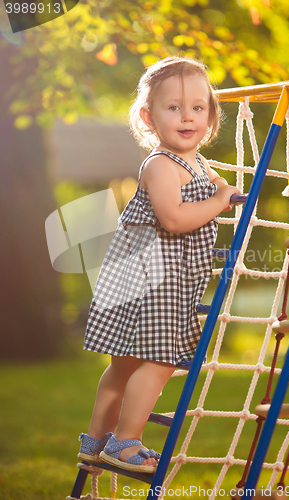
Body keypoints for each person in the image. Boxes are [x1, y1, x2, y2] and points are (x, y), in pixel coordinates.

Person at [77, 56, 240, 474]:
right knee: (162, 358)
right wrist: (219, 202)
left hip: (155, 277)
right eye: (173, 108)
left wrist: (220, 188)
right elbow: (173, 219)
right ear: (149, 117)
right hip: (152, 279)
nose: (187, 117)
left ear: (210, 115)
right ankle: (126, 441)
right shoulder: (161, 164)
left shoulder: (198, 163)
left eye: (198, 108)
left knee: (126, 362)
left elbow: (209, 188)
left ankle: (95, 441)